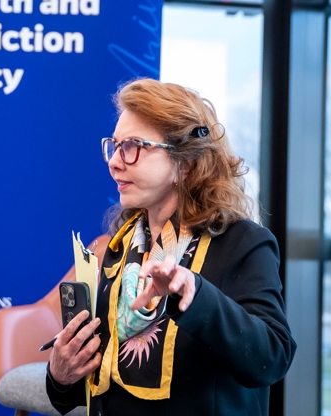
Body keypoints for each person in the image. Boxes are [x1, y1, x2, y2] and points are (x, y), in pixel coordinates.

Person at [46, 78, 296, 415]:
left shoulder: (243, 242)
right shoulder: (122, 246)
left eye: (132, 146)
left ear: (184, 164)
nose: (114, 161)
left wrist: (196, 294)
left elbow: (272, 359)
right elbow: (93, 387)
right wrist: (60, 377)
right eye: (115, 145)